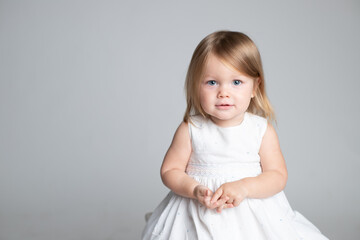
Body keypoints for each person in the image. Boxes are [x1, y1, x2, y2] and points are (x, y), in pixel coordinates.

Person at [142, 30, 328, 239]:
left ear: (255, 87)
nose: (224, 92)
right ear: (196, 85)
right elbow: (170, 170)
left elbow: (277, 176)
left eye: (236, 82)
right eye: (212, 82)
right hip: (195, 213)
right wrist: (193, 189)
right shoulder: (191, 128)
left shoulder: (261, 130)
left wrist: (244, 187)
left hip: (251, 212)